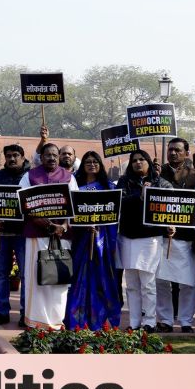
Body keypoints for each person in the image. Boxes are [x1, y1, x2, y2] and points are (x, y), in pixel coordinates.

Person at [18, 142, 77, 330]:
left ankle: (56, 322)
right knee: (36, 278)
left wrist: (63, 226)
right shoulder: (29, 176)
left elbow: (75, 206)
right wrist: (48, 225)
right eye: (47, 155)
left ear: (59, 157)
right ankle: (35, 321)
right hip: (37, 235)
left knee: (59, 279)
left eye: (54, 155)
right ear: (41, 157)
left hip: (61, 235)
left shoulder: (69, 177)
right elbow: (24, 205)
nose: (51, 158)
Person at [116, 151, 171, 332]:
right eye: (134, 160)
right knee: (132, 284)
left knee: (148, 283)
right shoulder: (124, 181)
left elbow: (172, 207)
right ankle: (134, 322)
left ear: (148, 162)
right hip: (128, 238)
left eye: (142, 160)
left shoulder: (161, 183)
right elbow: (119, 202)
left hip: (150, 238)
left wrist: (171, 225)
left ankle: (149, 322)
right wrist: (139, 195)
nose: (138, 163)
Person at [68, 152, 124, 330]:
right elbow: (71, 212)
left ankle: (99, 319)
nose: (92, 164)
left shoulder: (108, 187)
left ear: (100, 165)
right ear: (82, 165)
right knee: (79, 277)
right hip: (81, 239)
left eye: (95, 162)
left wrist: (100, 227)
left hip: (102, 241)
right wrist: (84, 225)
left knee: (101, 278)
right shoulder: (76, 186)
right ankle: (76, 317)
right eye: (88, 162)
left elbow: (114, 215)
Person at [157, 139, 195, 333]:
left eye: (177, 150)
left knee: (188, 283)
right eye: (170, 150)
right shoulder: (158, 173)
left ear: (186, 153)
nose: (173, 153)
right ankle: (165, 320)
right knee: (161, 281)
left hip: (186, 237)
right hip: (160, 236)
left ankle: (186, 321)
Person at [0, 143, 31, 326]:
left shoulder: (30, 176)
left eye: (16, 155)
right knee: (1, 274)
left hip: (24, 233)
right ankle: (2, 312)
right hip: (0, 232)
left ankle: (25, 313)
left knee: (25, 275)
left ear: (23, 157)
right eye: (9, 156)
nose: (12, 159)